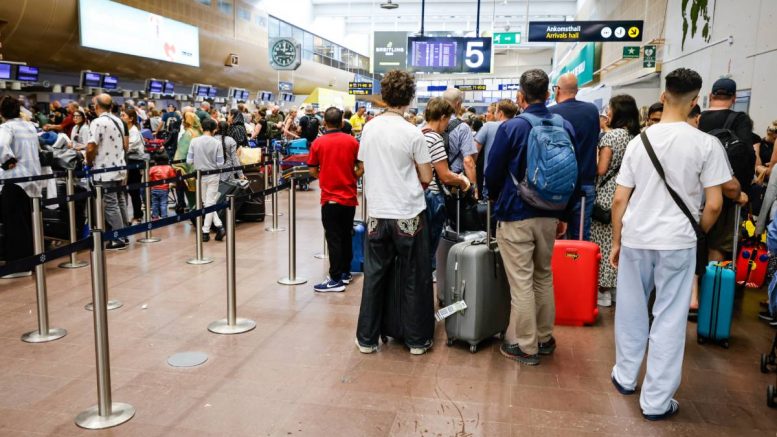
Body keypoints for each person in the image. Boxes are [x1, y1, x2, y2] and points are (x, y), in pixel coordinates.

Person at [609, 68, 730, 421]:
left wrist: (617, 241)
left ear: (663, 96)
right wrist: (696, 230)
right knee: (669, 318)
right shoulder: (707, 144)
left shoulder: (638, 142)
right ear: (697, 102)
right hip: (678, 241)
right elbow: (715, 204)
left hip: (636, 238)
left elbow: (620, 200)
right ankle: (656, 401)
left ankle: (625, 376)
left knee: (631, 310)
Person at [485, 69, 577, 366]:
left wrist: (492, 197)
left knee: (521, 282)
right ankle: (545, 337)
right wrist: (564, 212)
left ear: (520, 96)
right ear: (549, 94)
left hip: (516, 213)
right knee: (543, 275)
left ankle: (525, 346)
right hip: (551, 214)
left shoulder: (512, 128)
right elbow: (575, 171)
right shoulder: (564, 126)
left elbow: (493, 172)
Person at [355, 70, 434, 356]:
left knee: (374, 276)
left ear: (384, 95)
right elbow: (426, 175)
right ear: (410, 98)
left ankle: (366, 339)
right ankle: (416, 340)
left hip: (377, 212)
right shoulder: (413, 132)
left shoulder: (369, 128)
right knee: (414, 276)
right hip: (408, 214)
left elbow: (363, 165)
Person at [590, 95, 641, 307]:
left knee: (602, 240)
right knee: (620, 239)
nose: (607, 113)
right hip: (630, 191)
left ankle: (603, 291)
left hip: (608, 193)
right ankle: (618, 288)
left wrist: (591, 158)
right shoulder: (636, 137)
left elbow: (602, 169)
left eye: (609, 109)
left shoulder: (611, 137)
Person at [307, 107, 362, 292]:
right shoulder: (353, 142)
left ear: (324, 122)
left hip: (330, 198)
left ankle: (335, 278)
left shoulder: (318, 143)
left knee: (333, 238)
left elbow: (312, 170)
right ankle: (346, 273)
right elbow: (361, 167)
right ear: (341, 122)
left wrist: (325, 176)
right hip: (349, 198)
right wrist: (351, 177)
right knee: (346, 234)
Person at [698, 78, 752, 265]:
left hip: (696, 192)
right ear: (734, 98)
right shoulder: (739, 120)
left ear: (711, 96)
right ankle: (712, 291)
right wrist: (739, 191)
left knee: (695, 243)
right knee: (717, 247)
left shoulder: (698, 118)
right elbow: (747, 154)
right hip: (727, 195)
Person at [421, 97, 471, 276]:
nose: (447, 124)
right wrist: (463, 181)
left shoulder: (418, 133)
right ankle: (425, 289)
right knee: (429, 250)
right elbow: (445, 175)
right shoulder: (435, 138)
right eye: (448, 120)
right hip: (433, 197)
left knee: (420, 248)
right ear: (442, 117)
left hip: (418, 195)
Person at [549, 72, 601, 241]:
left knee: (556, 238)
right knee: (580, 238)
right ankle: (579, 267)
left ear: (557, 90)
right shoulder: (592, 111)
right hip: (585, 184)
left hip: (557, 186)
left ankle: (559, 268)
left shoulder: (551, 114)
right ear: (577, 90)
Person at [0, 95, 44, 278]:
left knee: (15, 224)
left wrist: (7, 160)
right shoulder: (30, 126)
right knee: (27, 222)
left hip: (14, 180)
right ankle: (30, 261)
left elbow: (1, 144)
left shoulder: (6, 127)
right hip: (32, 179)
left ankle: (19, 267)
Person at [87, 94, 129, 250]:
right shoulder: (118, 120)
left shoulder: (97, 122)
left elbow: (91, 146)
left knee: (110, 204)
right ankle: (125, 233)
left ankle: (118, 238)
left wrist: (88, 161)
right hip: (119, 167)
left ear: (96, 106)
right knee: (120, 200)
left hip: (104, 169)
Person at [186, 118, 225, 242]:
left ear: (202, 128)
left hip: (200, 175)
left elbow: (189, 161)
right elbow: (220, 163)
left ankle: (207, 231)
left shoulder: (194, 141)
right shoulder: (217, 143)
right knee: (210, 203)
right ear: (214, 130)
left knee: (206, 202)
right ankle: (216, 228)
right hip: (213, 175)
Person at [475, 99, 518, 197]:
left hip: (491, 179)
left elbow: (474, 152)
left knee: (490, 210)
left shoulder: (488, 126)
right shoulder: (518, 127)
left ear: (500, 113)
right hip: (514, 181)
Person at [442, 89, 479, 199]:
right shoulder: (463, 128)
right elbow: (468, 161)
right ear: (458, 104)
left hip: (434, 183)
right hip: (455, 182)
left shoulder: (429, 123)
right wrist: (474, 190)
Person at [173, 112, 203, 212]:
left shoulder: (188, 134)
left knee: (191, 195)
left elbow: (182, 152)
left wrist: (177, 166)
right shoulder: (200, 132)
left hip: (189, 169)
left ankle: (194, 215)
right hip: (202, 167)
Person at [121, 107, 146, 225]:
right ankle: (127, 216)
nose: (121, 118)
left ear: (131, 119)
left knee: (133, 190)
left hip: (134, 163)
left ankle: (138, 215)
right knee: (127, 191)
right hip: (127, 162)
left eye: (123, 116)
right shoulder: (125, 129)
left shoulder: (134, 131)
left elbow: (128, 147)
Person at [148, 154, 176, 219]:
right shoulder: (168, 167)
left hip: (154, 189)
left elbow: (149, 178)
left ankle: (155, 217)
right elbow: (173, 177)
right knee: (163, 203)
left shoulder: (152, 168)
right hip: (164, 189)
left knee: (155, 203)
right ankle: (164, 217)